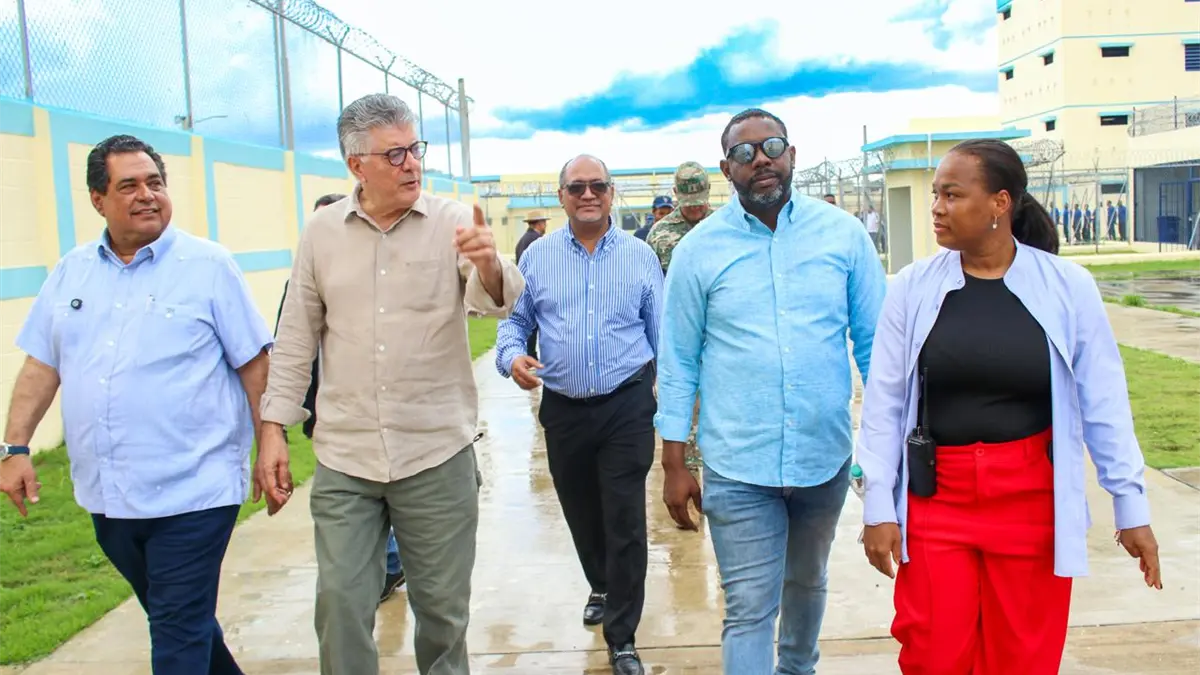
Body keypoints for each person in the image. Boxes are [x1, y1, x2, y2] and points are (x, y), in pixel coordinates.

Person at [856, 139, 1162, 675]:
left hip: (1030, 502)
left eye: (952, 195)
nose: (937, 207)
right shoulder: (911, 289)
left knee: (1021, 657)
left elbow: (1105, 403)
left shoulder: (1066, 288)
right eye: (935, 194)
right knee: (932, 654)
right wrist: (878, 505)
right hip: (937, 502)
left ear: (1000, 204)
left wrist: (1129, 505)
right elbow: (884, 403)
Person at [255, 93, 524, 675]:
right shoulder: (322, 233)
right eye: (395, 153)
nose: (412, 164)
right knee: (341, 605)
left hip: (435, 454)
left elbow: (494, 302)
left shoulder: (452, 221)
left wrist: (487, 263)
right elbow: (296, 335)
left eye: (415, 148)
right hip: (345, 458)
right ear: (357, 166)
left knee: (443, 616)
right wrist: (273, 429)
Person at [0, 134, 273, 675]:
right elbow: (42, 366)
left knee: (175, 631)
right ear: (98, 199)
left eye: (156, 182)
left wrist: (270, 441)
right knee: (181, 618)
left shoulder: (209, 266)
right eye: (129, 185)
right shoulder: (71, 272)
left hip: (195, 490)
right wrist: (15, 446)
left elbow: (255, 364)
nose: (148, 195)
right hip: (109, 495)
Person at [656, 108, 886, 675]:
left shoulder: (844, 236)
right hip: (738, 466)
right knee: (749, 608)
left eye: (772, 146)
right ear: (724, 169)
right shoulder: (696, 252)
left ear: (792, 155)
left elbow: (875, 347)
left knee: (808, 583)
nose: (760, 159)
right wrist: (673, 460)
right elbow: (679, 360)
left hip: (822, 459)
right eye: (743, 152)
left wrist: (885, 453)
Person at [495, 154, 663, 675]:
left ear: (611, 193)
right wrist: (510, 357)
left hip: (626, 402)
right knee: (581, 510)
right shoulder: (538, 257)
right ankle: (601, 582)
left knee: (625, 517)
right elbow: (513, 323)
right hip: (564, 407)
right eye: (576, 187)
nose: (587, 195)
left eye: (597, 186)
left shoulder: (640, 256)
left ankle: (623, 635)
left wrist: (672, 404)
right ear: (561, 196)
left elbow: (662, 334)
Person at [273, 192, 406, 602]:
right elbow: (293, 345)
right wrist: (284, 416)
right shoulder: (301, 281)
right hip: (331, 418)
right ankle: (388, 564)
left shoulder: (386, 280)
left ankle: (390, 563)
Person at [645, 160, 714, 474]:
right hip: (679, 336)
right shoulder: (660, 234)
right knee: (683, 410)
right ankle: (687, 475)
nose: (696, 211)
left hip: (719, 337)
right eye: (689, 205)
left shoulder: (725, 226)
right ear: (676, 195)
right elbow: (649, 290)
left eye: (700, 203)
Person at [515, 209, 548, 358]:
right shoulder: (537, 241)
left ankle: (530, 352)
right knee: (536, 324)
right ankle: (531, 353)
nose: (545, 225)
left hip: (522, 285)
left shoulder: (522, 240)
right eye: (544, 222)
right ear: (540, 223)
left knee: (528, 322)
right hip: (535, 285)